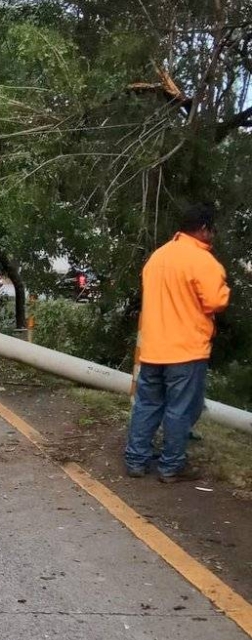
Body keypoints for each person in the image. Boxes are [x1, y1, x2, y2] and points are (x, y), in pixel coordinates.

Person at [124, 203, 230, 483]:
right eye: (213, 230)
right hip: (186, 349)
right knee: (181, 409)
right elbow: (216, 302)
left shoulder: (158, 257)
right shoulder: (203, 261)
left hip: (153, 348)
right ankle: (171, 466)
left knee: (147, 405)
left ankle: (136, 460)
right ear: (204, 229)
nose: (214, 236)